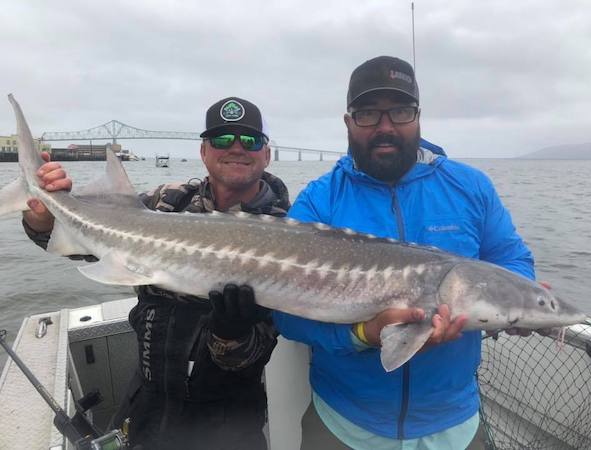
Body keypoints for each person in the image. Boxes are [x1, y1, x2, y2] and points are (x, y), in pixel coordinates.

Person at [272, 56, 535, 450]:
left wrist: (516, 304)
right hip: (344, 423)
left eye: (400, 111)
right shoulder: (319, 200)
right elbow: (287, 317)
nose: (385, 127)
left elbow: (513, 262)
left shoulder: (470, 187)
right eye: (367, 114)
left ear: (418, 116)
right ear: (348, 122)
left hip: (454, 423)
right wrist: (364, 334)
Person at [22, 97, 290, 450]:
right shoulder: (169, 201)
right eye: (223, 140)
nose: (236, 148)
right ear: (204, 152)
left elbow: (259, 349)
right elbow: (83, 245)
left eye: (250, 140)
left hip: (230, 414)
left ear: (267, 154)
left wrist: (231, 332)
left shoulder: (288, 232)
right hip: (149, 396)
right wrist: (43, 218)